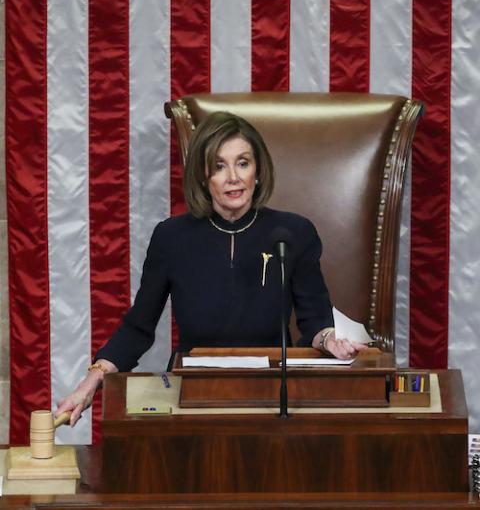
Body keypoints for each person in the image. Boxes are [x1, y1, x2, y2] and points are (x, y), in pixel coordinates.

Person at [56, 111, 366, 426]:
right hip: (194, 397)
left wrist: (330, 339)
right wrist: (92, 379)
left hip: (272, 397)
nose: (233, 176)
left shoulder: (293, 233)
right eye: (219, 166)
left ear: (257, 171)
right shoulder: (171, 237)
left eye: (243, 163)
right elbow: (138, 327)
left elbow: (315, 321)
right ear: (204, 177)